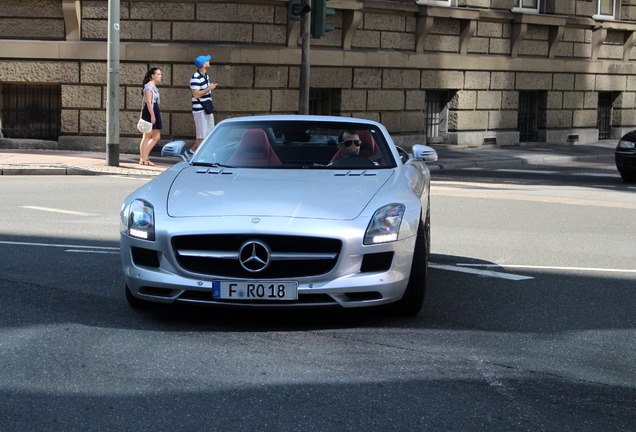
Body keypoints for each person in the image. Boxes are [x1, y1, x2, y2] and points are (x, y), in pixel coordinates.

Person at [187, 54, 217, 158]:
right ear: (204, 64)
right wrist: (209, 88)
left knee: (209, 133)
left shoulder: (206, 76)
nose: (209, 62)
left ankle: (194, 152)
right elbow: (196, 94)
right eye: (207, 61)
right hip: (200, 109)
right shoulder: (195, 78)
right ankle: (196, 154)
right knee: (201, 134)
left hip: (207, 108)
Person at [139, 67, 162, 166]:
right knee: (147, 135)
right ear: (152, 75)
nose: (160, 76)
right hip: (150, 110)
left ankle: (144, 157)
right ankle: (143, 158)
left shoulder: (154, 87)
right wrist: (152, 115)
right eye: (158, 74)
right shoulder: (148, 87)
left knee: (156, 136)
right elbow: (148, 102)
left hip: (154, 109)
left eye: (160, 74)